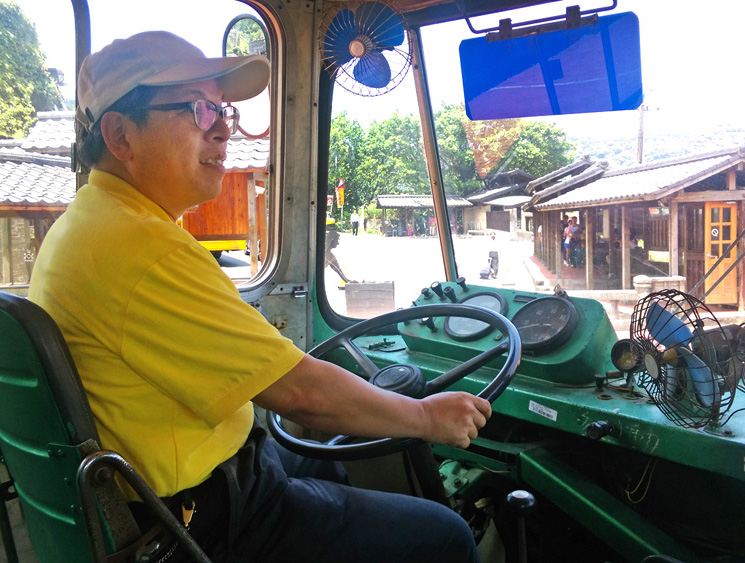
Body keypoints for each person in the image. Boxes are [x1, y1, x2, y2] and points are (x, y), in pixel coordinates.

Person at [28, 31, 489, 563]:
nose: (226, 128)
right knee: (445, 536)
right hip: (200, 521)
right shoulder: (141, 247)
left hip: (194, 482)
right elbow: (299, 393)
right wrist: (426, 418)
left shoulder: (87, 224)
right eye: (200, 110)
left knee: (317, 461)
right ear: (121, 134)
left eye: (222, 110)